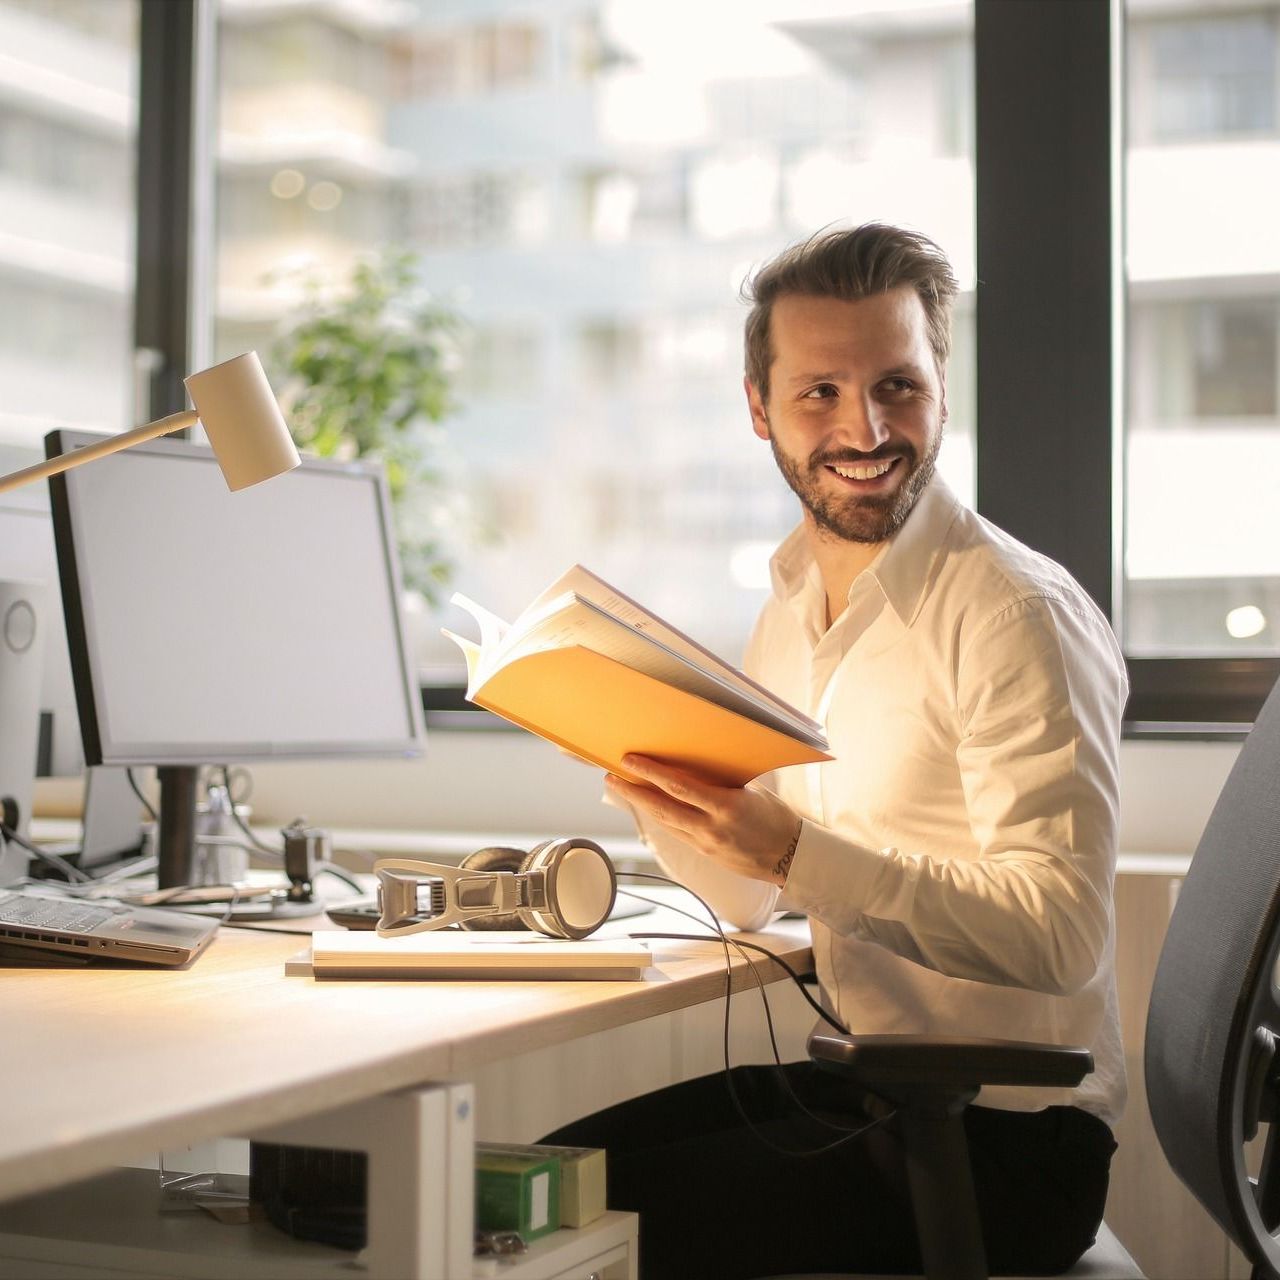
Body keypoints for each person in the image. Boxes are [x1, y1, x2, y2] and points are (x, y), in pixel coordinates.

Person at [543, 223, 1128, 1279]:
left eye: (896, 384)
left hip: (1003, 1146)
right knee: (533, 1179)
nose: (864, 427)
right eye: (819, 391)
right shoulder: (791, 601)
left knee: (548, 1232)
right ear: (757, 407)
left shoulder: (1011, 612)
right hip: (871, 1091)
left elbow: (1060, 935)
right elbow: (747, 900)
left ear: (940, 384)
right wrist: (658, 787)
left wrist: (792, 850)